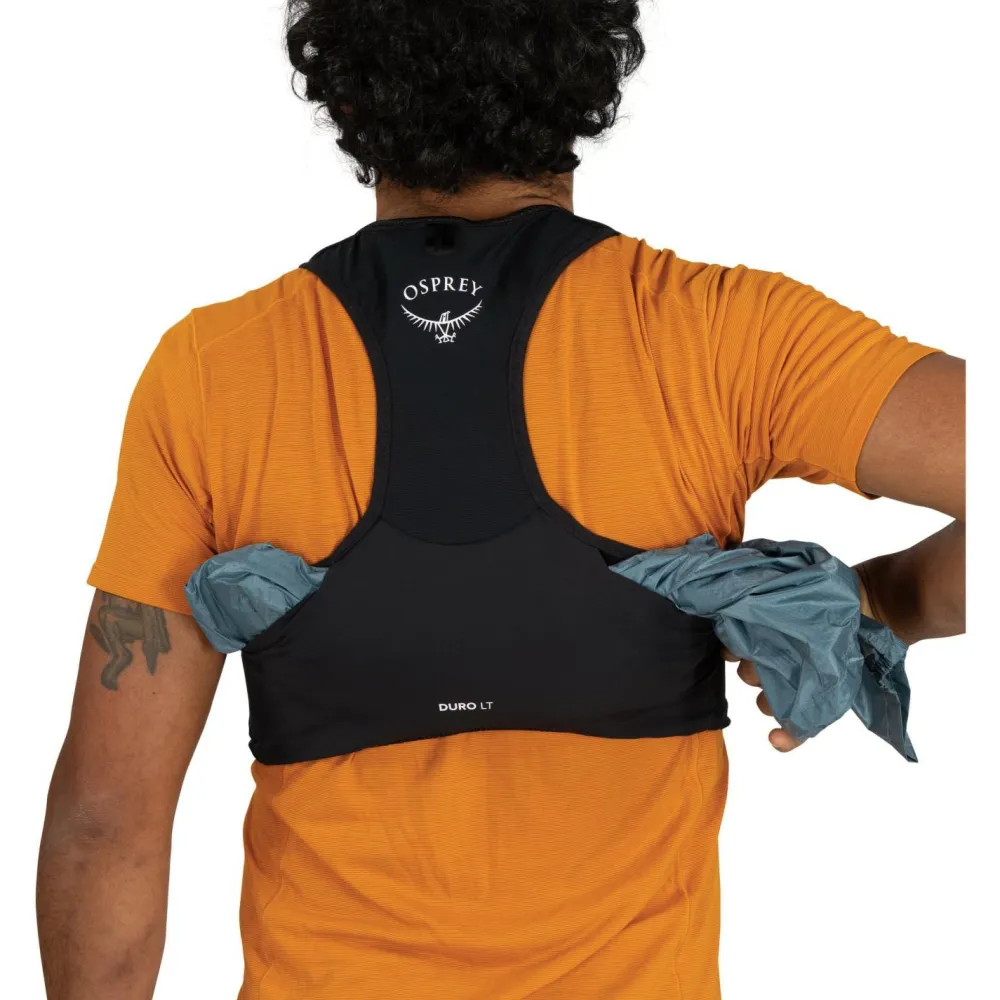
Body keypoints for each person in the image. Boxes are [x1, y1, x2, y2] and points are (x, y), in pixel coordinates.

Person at [36, 2, 965, 998]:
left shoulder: (216, 373)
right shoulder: (724, 336)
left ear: (345, 83)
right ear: (587, 68)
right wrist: (886, 600)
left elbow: (107, 826)